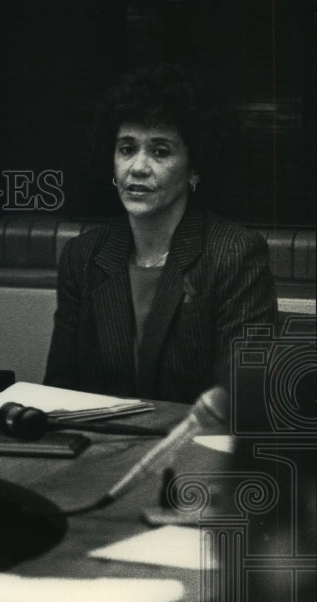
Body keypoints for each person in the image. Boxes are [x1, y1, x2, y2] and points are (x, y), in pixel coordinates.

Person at [44, 64, 277, 404]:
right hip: (97, 448)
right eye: (126, 148)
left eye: (160, 151)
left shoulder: (235, 254)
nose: (137, 167)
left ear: (194, 167)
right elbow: (59, 392)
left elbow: (241, 400)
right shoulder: (84, 255)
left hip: (192, 451)